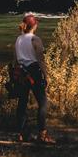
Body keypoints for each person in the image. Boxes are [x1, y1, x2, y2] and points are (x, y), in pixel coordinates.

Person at [14, 13, 55, 144]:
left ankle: (20, 134)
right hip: (34, 71)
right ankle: (42, 134)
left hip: (21, 72)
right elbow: (41, 60)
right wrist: (47, 76)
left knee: (22, 103)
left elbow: (15, 59)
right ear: (35, 25)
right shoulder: (35, 39)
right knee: (43, 103)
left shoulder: (18, 39)